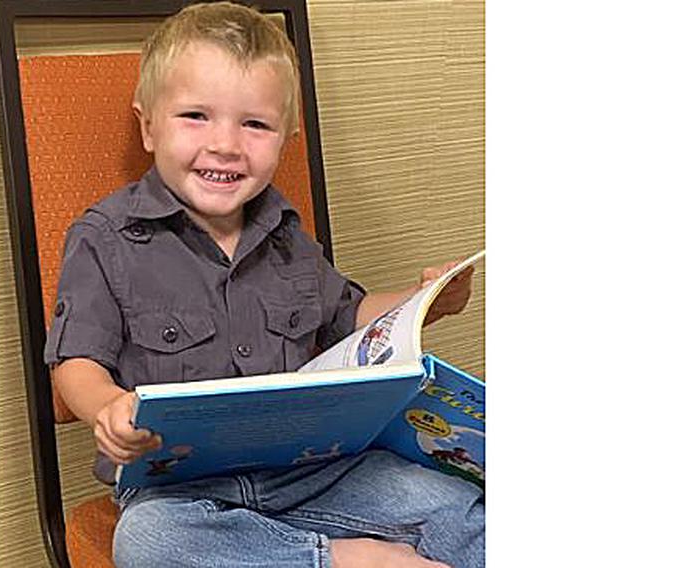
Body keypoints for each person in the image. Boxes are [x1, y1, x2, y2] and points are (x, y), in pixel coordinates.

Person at [44, 2, 483, 567]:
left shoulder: (286, 234)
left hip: (316, 470)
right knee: (147, 542)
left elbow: (349, 314)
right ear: (148, 125)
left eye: (254, 124)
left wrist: (425, 301)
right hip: (181, 491)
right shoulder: (104, 238)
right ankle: (341, 559)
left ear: (286, 136)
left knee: (460, 502)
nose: (226, 144)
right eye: (195, 116)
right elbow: (75, 359)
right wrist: (106, 406)